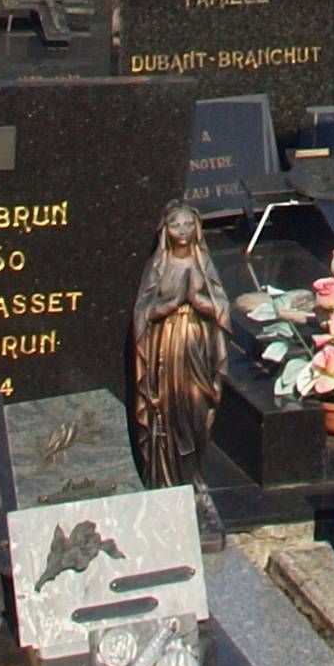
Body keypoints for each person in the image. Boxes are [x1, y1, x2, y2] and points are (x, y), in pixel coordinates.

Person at [127, 201, 230, 487]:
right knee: (170, 411)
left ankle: (193, 472)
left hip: (197, 344)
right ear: (165, 231)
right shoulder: (158, 265)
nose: (182, 231)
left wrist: (200, 303)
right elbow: (142, 311)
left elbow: (222, 305)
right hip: (167, 348)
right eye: (175, 225)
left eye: (187, 224)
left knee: (198, 406)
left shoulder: (202, 262)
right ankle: (166, 477)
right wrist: (171, 304)